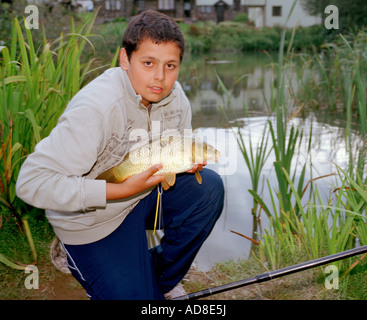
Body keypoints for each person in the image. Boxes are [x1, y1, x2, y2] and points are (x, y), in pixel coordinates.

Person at [16, 10, 224, 300]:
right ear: (125, 59)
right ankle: (73, 253)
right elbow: (30, 182)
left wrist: (185, 165)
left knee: (209, 188)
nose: (160, 77)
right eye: (148, 63)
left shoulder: (177, 98)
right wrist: (117, 190)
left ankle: (163, 280)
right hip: (93, 219)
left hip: (142, 196)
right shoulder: (97, 107)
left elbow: (173, 157)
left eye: (170, 65)